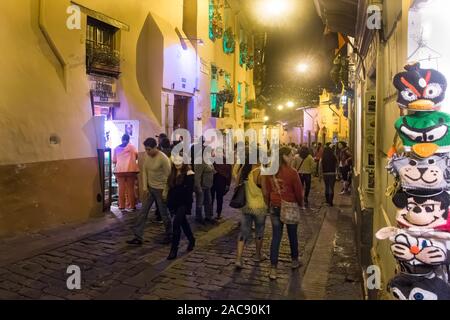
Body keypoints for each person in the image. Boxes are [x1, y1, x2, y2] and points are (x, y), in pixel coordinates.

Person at [263, 147, 304, 280]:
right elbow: (298, 191)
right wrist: (301, 204)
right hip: (289, 206)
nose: (293, 157)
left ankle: (273, 269)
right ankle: (294, 260)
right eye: (290, 155)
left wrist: (268, 202)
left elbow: (267, 190)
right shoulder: (292, 173)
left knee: (276, 237)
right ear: (284, 157)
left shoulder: (271, 171)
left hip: (275, 206)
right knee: (292, 235)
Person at [127, 138, 172, 245]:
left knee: (164, 213)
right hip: (150, 189)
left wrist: (165, 192)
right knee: (143, 212)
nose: (147, 152)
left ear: (155, 147)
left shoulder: (163, 158)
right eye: (146, 149)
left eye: (149, 149)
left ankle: (169, 234)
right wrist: (145, 188)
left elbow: (168, 176)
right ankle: (138, 236)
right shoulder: (148, 157)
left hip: (161, 189)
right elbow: (145, 172)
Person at [235, 155, 268, 269]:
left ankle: (238, 259)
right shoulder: (260, 172)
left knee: (243, 233)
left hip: (246, 207)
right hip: (259, 207)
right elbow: (264, 191)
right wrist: (268, 203)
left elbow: (236, 184)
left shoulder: (244, 171)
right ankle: (258, 255)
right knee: (259, 232)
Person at [166, 155, 196, 260]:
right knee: (183, 223)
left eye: (180, 161)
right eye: (176, 162)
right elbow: (170, 189)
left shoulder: (189, 174)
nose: (177, 164)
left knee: (176, 223)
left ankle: (174, 249)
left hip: (183, 203)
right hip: (174, 202)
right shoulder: (172, 173)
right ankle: (191, 239)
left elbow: (188, 192)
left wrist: (188, 207)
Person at [113, 134, 139, 212]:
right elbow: (136, 156)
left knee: (121, 188)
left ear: (122, 139)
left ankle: (121, 206)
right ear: (128, 139)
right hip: (130, 170)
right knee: (130, 188)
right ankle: (131, 206)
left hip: (119, 171)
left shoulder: (116, 148)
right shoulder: (132, 147)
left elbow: (114, 160)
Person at [211, 149, 232, 220]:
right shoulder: (213, 160)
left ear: (223, 153)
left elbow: (229, 174)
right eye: (217, 152)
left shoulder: (227, 161)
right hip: (213, 181)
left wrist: (228, 184)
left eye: (220, 152)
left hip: (222, 182)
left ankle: (218, 213)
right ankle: (210, 213)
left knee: (219, 198)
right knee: (211, 197)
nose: (218, 153)